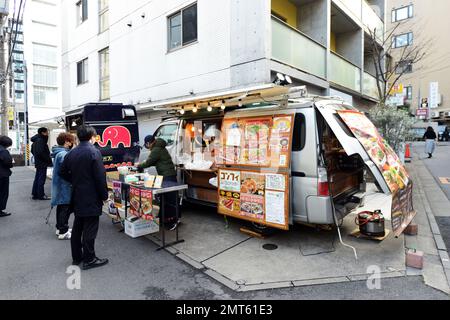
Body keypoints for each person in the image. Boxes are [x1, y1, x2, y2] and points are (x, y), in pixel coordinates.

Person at [59, 125, 109, 270]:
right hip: (91, 196)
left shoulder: (71, 153)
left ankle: (77, 257)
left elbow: (62, 172)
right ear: (92, 136)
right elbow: (100, 177)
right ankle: (90, 259)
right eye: (95, 136)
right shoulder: (94, 152)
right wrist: (104, 195)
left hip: (77, 194)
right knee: (90, 228)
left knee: (78, 226)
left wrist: (74, 180)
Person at [137, 135, 179, 230]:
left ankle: (172, 221)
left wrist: (139, 166)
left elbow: (149, 162)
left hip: (167, 176)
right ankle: (166, 219)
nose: (147, 146)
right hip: (168, 175)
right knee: (167, 198)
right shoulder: (159, 147)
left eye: (147, 144)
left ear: (149, 142)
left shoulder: (156, 149)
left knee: (169, 198)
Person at [51, 133, 75, 240]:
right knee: (65, 207)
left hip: (60, 184)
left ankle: (60, 227)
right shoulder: (63, 154)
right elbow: (67, 171)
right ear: (66, 142)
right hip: (64, 185)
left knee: (61, 207)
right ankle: (63, 231)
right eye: (71, 141)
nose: (72, 143)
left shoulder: (59, 152)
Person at [31, 127, 53, 200]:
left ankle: (35, 194)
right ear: (43, 133)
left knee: (37, 178)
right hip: (42, 163)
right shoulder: (41, 140)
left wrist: (37, 157)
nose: (47, 134)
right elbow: (41, 152)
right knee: (41, 179)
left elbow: (32, 150)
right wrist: (47, 159)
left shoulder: (36, 140)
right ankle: (41, 195)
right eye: (47, 132)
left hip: (38, 162)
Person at [0, 136, 13, 217]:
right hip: (3, 174)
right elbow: (8, 162)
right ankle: (0, 210)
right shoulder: (4, 151)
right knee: (3, 193)